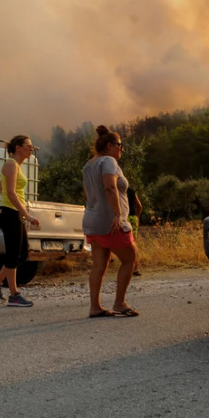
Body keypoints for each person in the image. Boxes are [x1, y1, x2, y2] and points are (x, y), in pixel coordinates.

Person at [82, 126, 139, 318]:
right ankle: (119, 303)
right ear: (109, 146)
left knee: (100, 264)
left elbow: (86, 194)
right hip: (110, 221)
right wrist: (117, 214)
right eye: (120, 145)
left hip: (92, 220)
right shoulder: (109, 162)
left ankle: (95, 307)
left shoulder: (89, 165)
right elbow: (109, 187)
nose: (122, 149)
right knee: (130, 259)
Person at [0, 135, 41, 307]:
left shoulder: (15, 166)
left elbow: (0, 187)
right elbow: (10, 192)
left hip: (12, 212)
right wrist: (27, 214)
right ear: (18, 148)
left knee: (20, 254)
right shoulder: (11, 164)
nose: (31, 149)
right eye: (28, 146)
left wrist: (17, 207)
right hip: (10, 214)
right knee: (15, 254)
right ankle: (11, 292)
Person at [127, 186, 143, 276]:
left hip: (122, 217)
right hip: (133, 217)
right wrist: (137, 217)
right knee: (133, 242)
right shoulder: (131, 191)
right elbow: (139, 206)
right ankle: (136, 268)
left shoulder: (116, 189)